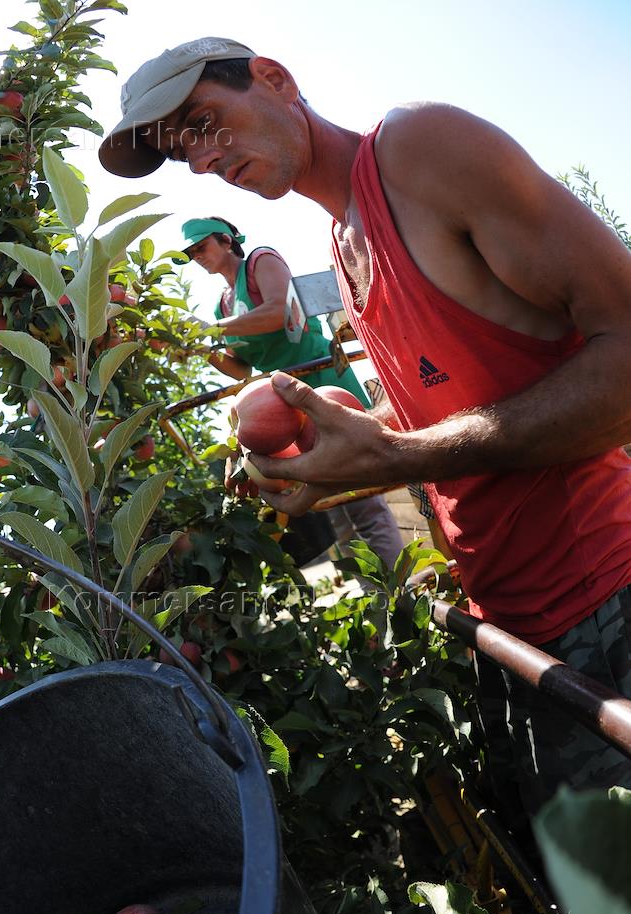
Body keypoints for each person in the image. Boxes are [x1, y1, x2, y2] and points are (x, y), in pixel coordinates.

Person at [99, 38, 631, 816]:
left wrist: (398, 452)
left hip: (607, 599)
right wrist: (333, 462)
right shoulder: (344, 252)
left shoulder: (421, 152)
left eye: (207, 122)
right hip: (513, 623)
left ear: (275, 81)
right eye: (187, 153)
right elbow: (441, 420)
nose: (206, 159)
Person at [180, 214, 404, 568]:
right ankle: (376, 594)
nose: (198, 256)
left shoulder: (259, 261)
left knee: (360, 490)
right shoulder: (222, 303)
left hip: (318, 380)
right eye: (191, 253)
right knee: (328, 500)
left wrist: (212, 330)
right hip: (283, 400)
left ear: (226, 240)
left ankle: (400, 590)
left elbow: (280, 312)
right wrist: (199, 349)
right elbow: (240, 367)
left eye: (201, 247)